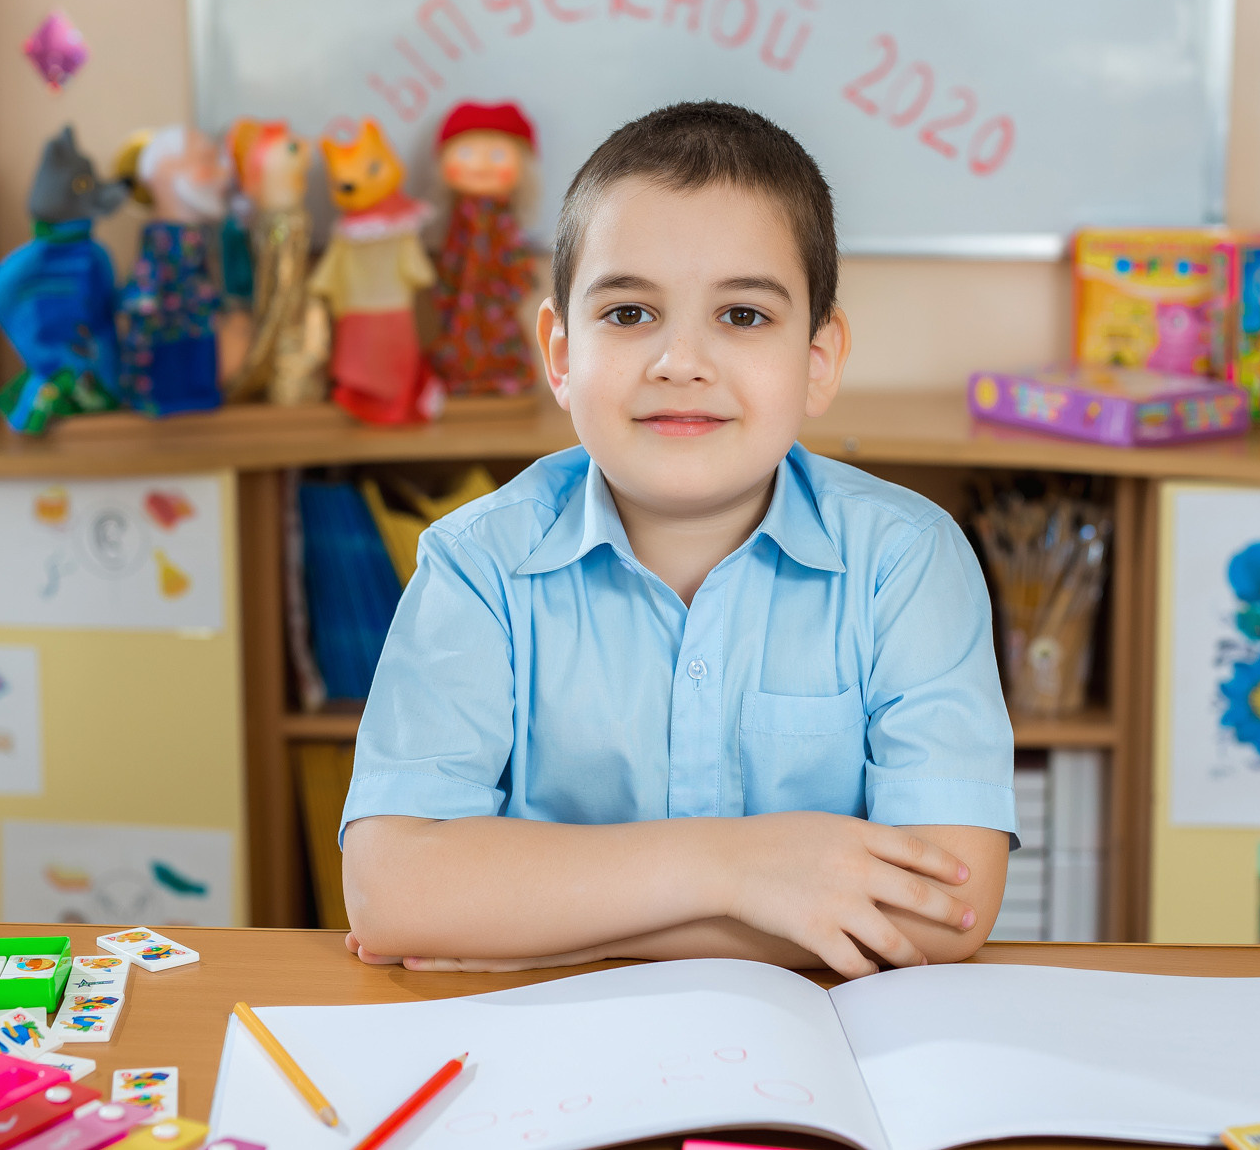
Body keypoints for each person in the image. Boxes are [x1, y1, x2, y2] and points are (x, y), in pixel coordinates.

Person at [339, 101, 1014, 979]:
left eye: (742, 316)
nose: (679, 361)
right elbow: (395, 894)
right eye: (627, 314)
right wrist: (741, 869)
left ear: (818, 359)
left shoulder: (908, 560)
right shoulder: (477, 564)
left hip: (820, 1066)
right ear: (559, 350)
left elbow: (945, 910)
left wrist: (544, 920)